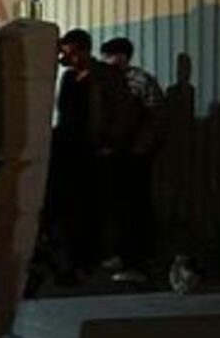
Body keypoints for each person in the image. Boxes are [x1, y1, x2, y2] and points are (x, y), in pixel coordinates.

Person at [45, 29, 136, 283]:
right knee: (67, 207)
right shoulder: (68, 77)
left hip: (92, 148)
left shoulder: (106, 76)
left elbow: (123, 111)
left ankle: (87, 258)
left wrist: (112, 143)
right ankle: (72, 259)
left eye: (73, 53)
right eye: (66, 54)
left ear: (85, 50)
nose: (69, 59)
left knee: (91, 206)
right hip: (68, 146)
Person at [101, 37, 164, 283]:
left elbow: (156, 116)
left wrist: (141, 148)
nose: (107, 61)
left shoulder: (140, 81)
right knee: (117, 206)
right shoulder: (110, 81)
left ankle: (137, 262)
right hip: (115, 153)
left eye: (111, 56)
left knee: (134, 207)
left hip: (134, 154)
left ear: (124, 57)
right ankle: (122, 254)